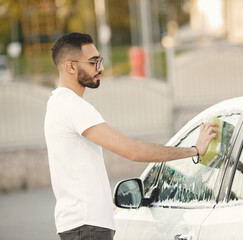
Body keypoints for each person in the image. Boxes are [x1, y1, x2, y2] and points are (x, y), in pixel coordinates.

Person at [44, 32, 217, 240]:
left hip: (81, 225)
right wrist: (194, 150)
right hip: (86, 227)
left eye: (100, 60)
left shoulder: (58, 103)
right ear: (70, 66)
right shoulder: (73, 106)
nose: (101, 68)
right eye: (93, 62)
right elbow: (133, 151)